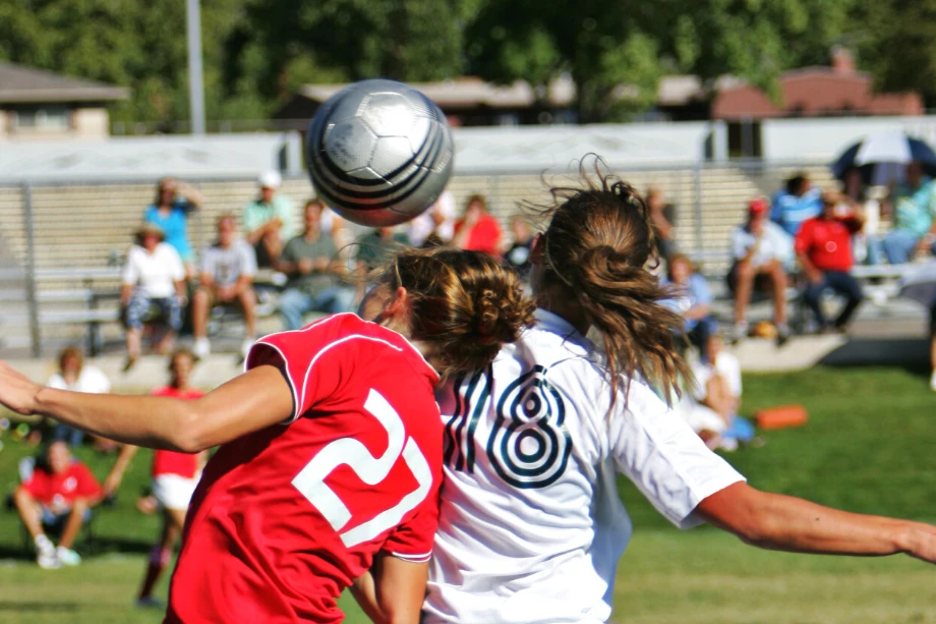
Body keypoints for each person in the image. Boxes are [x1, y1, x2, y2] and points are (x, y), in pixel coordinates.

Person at [356, 166, 936, 624]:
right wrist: (909, 533)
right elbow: (751, 517)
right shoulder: (610, 391)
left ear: (535, 250)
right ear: (634, 280)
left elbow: (367, 338)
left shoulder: (448, 349)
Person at [0, 247, 534, 624]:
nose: (363, 297)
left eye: (373, 285)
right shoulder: (428, 442)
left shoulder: (353, 344)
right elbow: (398, 613)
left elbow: (192, 426)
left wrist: (37, 397)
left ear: (396, 302)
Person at [103, 349, 207, 608]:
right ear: (170, 368)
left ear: (192, 368)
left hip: (191, 476)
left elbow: (204, 444)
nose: (181, 371)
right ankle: (198, 597)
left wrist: (202, 472)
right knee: (192, 535)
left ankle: (145, 595)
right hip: (166, 474)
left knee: (168, 537)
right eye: (176, 365)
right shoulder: (160, 397)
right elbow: (135, 437)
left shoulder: (200, 399)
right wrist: (117, 472)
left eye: (185, 366)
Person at [12, 441, 103, 569]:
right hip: (46, 513)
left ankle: (62, 551)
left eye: (59, 455)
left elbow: (96, 494)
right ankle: (44, 545)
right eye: (52, 455)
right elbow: (23, 493)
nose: (55, 459)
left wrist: (71, 504)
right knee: (20, 496)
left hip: (70, 513)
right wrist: (41, 505)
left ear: (68, 456)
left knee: (80, 504)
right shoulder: (42, 474)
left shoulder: (78, 471)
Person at [276, 199, 355, 330]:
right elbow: (279, 266)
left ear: (319, 218)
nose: (310, 220)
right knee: (286, 303)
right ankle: (299, 341)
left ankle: (340, 339)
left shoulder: (329, 241)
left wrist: (328, 265)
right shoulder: (294, 242)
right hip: (302, 291)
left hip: (327, 291)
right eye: (308, 217)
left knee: (345, 299)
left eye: (313, 217)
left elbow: (344, 268)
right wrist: (296, 266)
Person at [795, 191, 866, 333]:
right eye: (826, 205)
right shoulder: (811, 224)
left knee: (857, 294)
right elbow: (799, 250)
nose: (828, 208)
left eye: (832, 205)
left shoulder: (843, 222)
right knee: (811, 294)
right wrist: (811, 272)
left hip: (841, 271)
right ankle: (823, 323)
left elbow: (862, 218)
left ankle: (840, 322)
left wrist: (846, 198)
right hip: (821, 271)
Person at [121, 223, 187, 370]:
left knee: (175, 308)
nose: (149, 240)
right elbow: (128, 280)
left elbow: (178, 277)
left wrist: (181, 295)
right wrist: (125, 298)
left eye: (152, 237)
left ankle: (164, 345)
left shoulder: (168, 251)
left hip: (166, 291)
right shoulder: (136, 253)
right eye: (146, 237)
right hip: (144, 292)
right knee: (132, 310)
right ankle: (134, 350)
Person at [728, 197, 793, 345]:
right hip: (744, 277)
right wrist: (756, 241)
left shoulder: (775, 232)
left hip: (766, 277)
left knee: (778, 274)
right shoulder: (739, 234)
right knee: (745, 272)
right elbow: (741, 260)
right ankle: (740, 322)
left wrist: (761, 267)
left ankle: (780, 321)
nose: (755, 219)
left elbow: (779, 259)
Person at [192, 215, 258, 359]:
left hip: (237, 291)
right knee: (199, 296)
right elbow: (205, 277)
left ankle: (250, 338)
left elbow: (247, 277)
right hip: (214, 291)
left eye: (228, 230)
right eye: (222, 230)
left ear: (234, 230)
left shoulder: (244, 249)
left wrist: (232, 290)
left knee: (249, 295)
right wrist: (218, 289)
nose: (225, 233)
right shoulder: (208, 250)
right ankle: (200, 339)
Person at [690, 333, 755, 451]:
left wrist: (727, 412)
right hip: (708, 408)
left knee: (719, 381)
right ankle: (723, 435)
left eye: (716, 345)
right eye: (710, 345)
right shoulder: (697, 367)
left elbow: (734, 394)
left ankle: (724, 434)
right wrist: (720, 412)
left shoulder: (730, 362)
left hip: (726, 407)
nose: (713, 349)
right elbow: (702, 397)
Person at [44, 347, 111, 448]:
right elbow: (47, 407)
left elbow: (109, 394)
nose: (70, 366)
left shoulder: (92, 374)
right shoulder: (56, 379)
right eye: (67, 363)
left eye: (73, 363)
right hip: (69, 419)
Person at [144, 177, 203, 280]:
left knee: (190, 273)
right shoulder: (152, 212)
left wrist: (180, 186)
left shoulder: (179, 209)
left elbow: (199, 200)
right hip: (161, 252)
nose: (168, 195)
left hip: (181, 251)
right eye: (165, 192)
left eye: (171, 192)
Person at [881, 160, 936, 264]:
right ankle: (894, 276)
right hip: (900, 232)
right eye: (907, 170)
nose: (908, 173)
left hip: (921, 234)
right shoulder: (899, 187)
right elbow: (885, 211)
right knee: (884, 241)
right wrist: (888, 194)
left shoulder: (929, 188)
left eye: (912, 170)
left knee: (893, 241)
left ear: (921, 171)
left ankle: (902, 276)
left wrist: (927, 239)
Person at [663, 254, 716, 351]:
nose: (678, 271)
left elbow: (704, 306)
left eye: (681, 268)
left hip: (694, 324)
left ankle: (704, 358)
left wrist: (688, 315)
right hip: (673, 325)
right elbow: (662, 307)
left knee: (707, 325)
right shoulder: (665, 285)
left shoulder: (696, 282)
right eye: (675, 268)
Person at [244, 171, 295, 268]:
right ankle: (277, 265)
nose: (267, 193)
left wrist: (261, 230)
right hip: (261, 246)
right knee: (269, 235)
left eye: (270, 189)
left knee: (271, 234)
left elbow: (277, 223)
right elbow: (250, 233)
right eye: (265, 189)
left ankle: (277, 264)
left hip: (284, 242)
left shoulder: (283, 202)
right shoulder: (251, 207)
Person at [771, 172, 822, 237]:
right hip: (789, 238)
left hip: (811, 239)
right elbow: (775, 220)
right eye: (805, 185)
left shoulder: (815, 196)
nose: (808, 187)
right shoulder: (782, 199)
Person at [646, 185, 676, 259]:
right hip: (650, 240)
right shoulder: (645, 210)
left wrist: (655, 211)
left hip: (663, 242)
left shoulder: (668, 209)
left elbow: (666, 231)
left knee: (668, 243)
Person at [503, 215, 534, 280]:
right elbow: (506, 264)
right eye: (515, 228)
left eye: (520, 227)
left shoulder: (533, 244)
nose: (517, 230)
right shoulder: (513, 248)